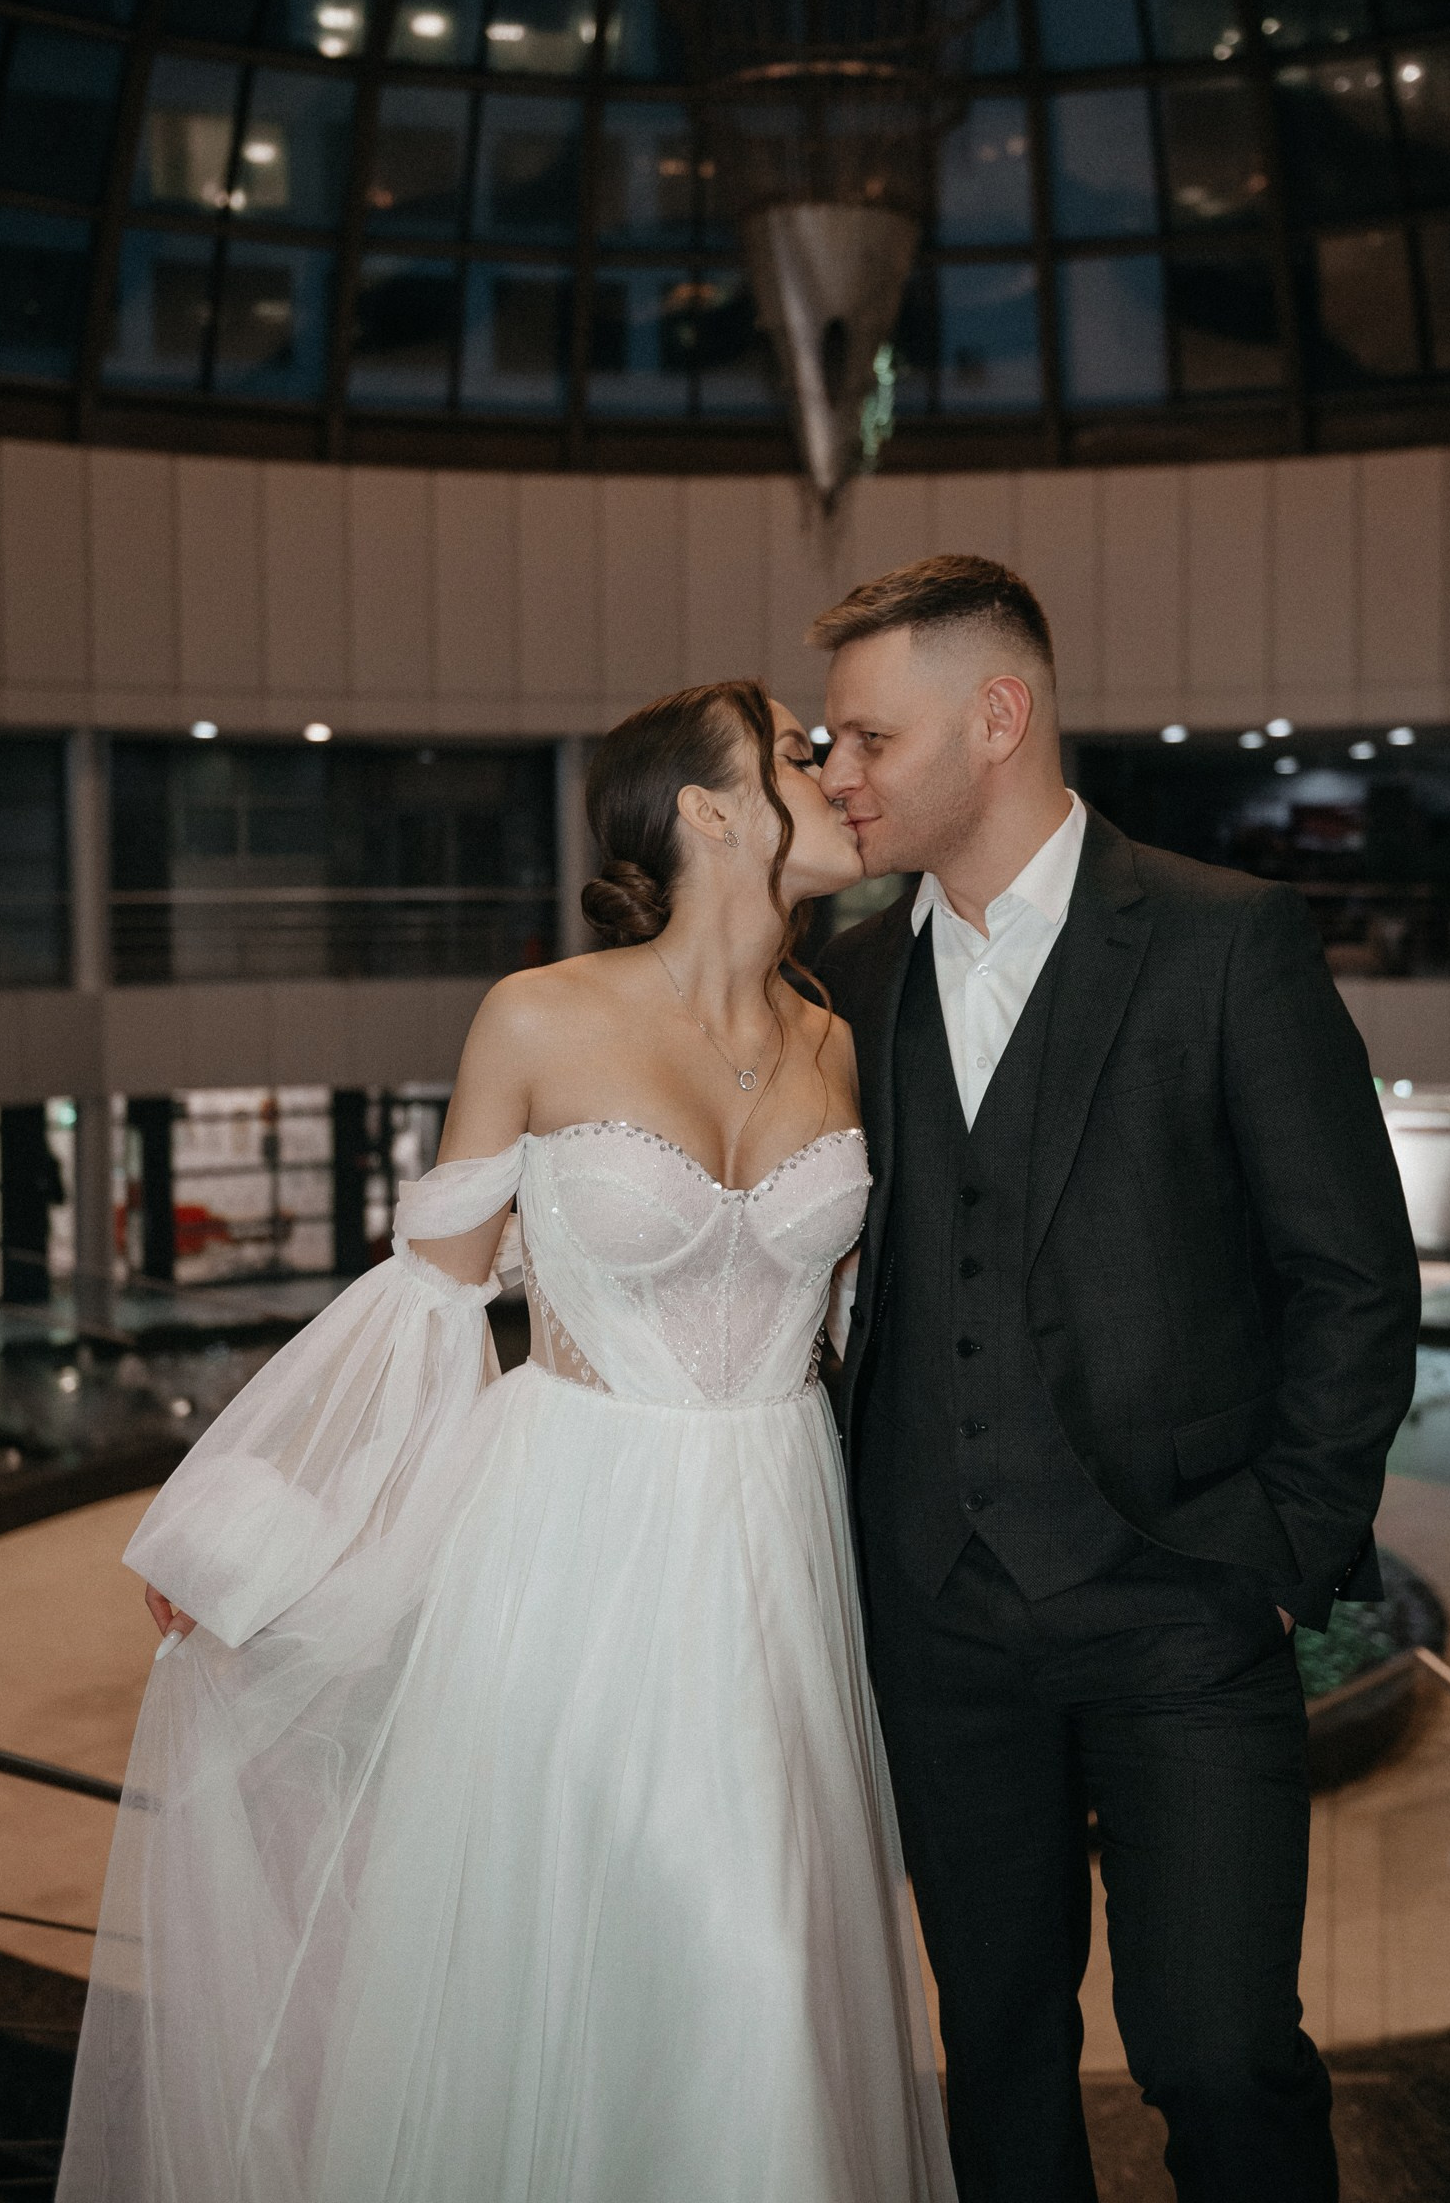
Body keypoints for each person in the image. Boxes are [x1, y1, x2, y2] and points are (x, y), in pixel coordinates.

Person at [58, 679, 956, 2203]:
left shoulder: (834, 1037)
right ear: (708, 808)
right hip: (578, 1542)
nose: (840, 774)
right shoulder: (537, 1015)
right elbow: (426, 1304)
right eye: (802, 754)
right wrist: (257, 1532)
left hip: (777, 1546)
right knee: (593, 1948)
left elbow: (862, 1319)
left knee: (766, 1959)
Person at [811, 556, 1420, 2203]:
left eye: (868, 738)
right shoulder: (845, 987)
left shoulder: (1225, 941)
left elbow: (1353, 1278)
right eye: (826, 743)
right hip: (936, 1624)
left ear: (997, 716)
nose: (837, 773)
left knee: (1221, 2055)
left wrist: (1279, 1551)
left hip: (1184, 1609)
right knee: (998, 2054)